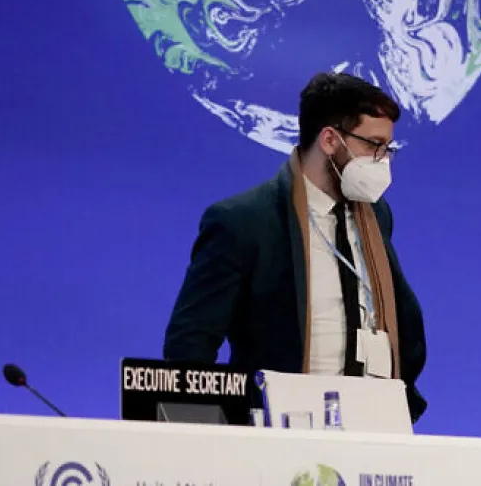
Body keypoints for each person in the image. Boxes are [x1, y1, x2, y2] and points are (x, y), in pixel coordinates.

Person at [163, 73, 427, 420]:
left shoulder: (376, 215)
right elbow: (189, 347)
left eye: (388, 149)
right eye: (373, 146)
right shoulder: (243, 221)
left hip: (372, 425)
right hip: (278, 432)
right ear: (331, 140)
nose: (383, 160)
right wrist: (209, 439)